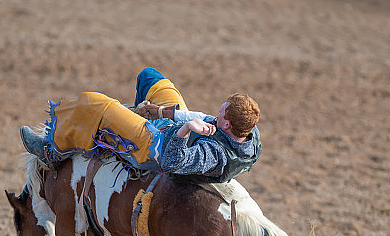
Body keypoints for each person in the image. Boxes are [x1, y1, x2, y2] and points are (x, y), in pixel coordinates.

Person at [20, 67, 261, 183]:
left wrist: (185, 130)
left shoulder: (213, 155)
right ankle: (133, 122)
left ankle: (52, 151)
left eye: (222, 110)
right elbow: (206, 119)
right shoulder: (247, 130)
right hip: (168, 128)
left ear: (227, 123)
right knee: (151, 78)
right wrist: (157, 111)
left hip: (156, 147)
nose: (216, 110)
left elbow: (172, 161)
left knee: (94, 102)